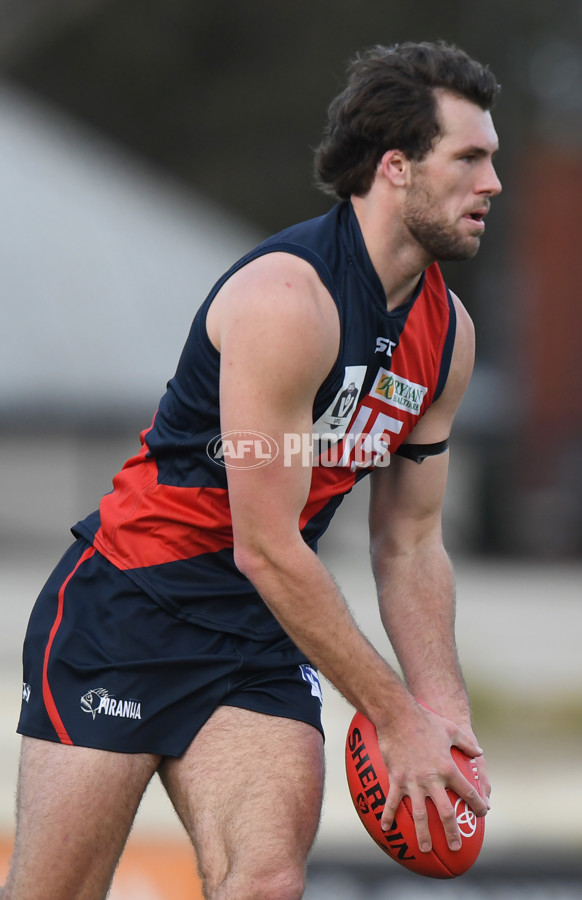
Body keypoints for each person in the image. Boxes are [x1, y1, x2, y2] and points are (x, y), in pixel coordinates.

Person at [2, 39, 501, 900]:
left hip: (261, 639)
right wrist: (392, 716)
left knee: (266, 882)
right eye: (470, 158)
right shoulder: (286, 302)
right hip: (128, 613)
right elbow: (265, 546)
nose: (493, 183)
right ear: (394, 168)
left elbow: (412, 543)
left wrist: (441, 713)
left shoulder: (446, 338)